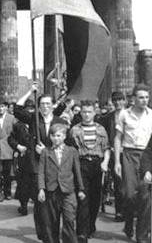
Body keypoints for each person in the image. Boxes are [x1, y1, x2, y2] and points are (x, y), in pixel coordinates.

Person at [14, 83, 67, 241]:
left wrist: (46, 151)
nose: (45, 107)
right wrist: (30, 91)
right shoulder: (33, 119)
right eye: (42, 104)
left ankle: (52, 233)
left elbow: (64, 142)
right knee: (41, 202)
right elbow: (17, 109)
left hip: (54, 164)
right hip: (36, 166)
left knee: (54, 203)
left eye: (48, 104)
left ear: (53, 106)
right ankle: (45, 234)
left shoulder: (59, 121)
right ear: (38, 106)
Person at [114, 84, 152, 242]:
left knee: (145, 195)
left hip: (147, 155)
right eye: (141, 97)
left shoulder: (151, 114)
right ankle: (129, 222)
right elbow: (117, 138)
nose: (145, 100)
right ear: (134, 99)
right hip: (129, 155)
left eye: (147, 97)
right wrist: (117, 161)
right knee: (129, 195)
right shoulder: (124, 114)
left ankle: (141, 234)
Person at [69, 101, 110, 242]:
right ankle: (82, 231)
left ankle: (91, 225)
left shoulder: (101, 129)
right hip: (81, 164)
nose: (86, 115)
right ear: (80, 113)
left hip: (97, 165)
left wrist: (105, 162)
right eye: (84, 112)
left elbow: (107, 148)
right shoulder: (74, 130)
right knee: (83, 197)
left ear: (94, 113)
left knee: (94, 199)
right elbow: (70, 150)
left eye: (89, 112)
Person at [38, 123, 85, 243]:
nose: (56, 138)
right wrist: (41, 189)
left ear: (64, 136)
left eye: (59, 135)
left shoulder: (72, 151)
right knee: (52, 221)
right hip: (52, 190)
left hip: (68, 191)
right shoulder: (45, 152)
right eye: (53, 136)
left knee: (69, 219)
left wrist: (81, 188)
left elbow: (77, 170)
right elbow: (41, 172)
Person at [97, 91, 126, 222]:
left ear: (124, 101)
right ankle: (119, 211)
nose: (118, 102)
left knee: (130, 184)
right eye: (115, 100)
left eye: (120, 100)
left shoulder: (131, 115)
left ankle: (130, 210)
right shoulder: (107, 117)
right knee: (118, 183)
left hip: (129, 153)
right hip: (113, 153)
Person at [0, 98, 16, 202]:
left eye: (3, 106)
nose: (1, 109)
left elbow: (15, 134)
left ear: (6, 107)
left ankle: (7, 191)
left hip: (9, 149)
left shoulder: (12, 118)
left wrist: (16, 149)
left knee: (8, 173)